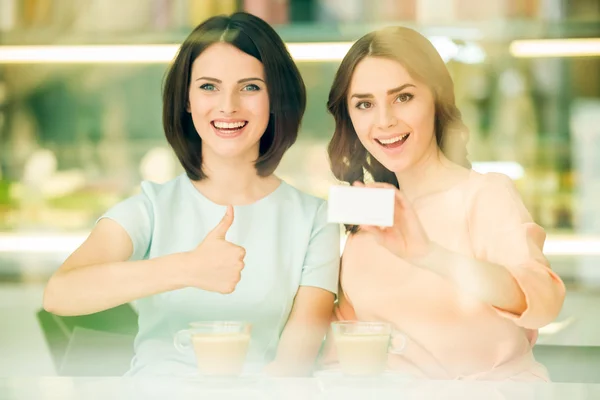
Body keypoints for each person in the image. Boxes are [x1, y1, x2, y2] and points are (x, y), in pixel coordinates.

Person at [43, 12, 339, 377]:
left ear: (276, 98)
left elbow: (293, 364)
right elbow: (60, 294)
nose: (228, 105)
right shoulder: (150, 208)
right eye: (208, 86)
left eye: (250, 87)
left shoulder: (314, 219)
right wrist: (186, 268)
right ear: (186, 100)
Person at [322, 26, 565, 381]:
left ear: (436, 98)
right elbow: (342, 348)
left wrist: (430, 256)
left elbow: (542, 302)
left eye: (403, 97)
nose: (385, 120)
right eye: (364, 104)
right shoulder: (364, 222)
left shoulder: (484, 194)